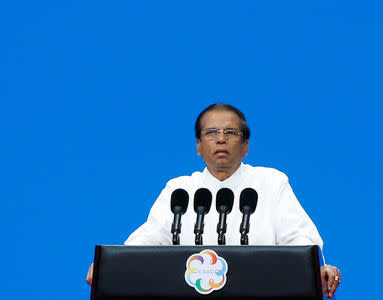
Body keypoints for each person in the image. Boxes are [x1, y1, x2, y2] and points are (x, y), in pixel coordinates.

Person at [86, 103, 342, 298]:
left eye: (230, 132)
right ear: (198, 145)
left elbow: (299, 238)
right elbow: (150, 238)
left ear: (245, 145)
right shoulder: (180, 189)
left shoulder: (271, 182)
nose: (221, 139)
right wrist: (111, 267)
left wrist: (315, 268)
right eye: (211, 132)